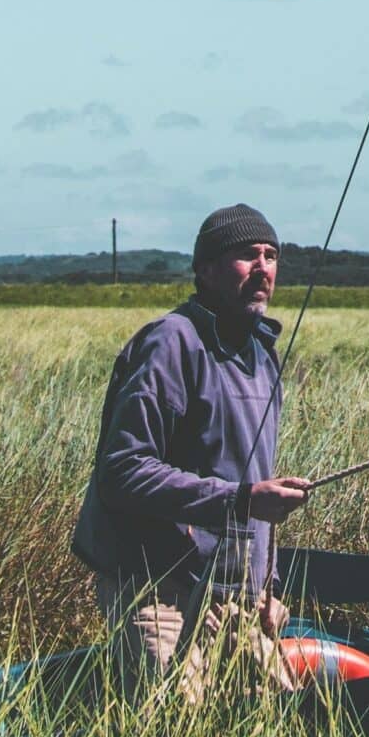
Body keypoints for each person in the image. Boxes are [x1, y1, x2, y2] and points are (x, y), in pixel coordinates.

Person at [70, 203, 313, 699]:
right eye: (247, 255)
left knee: (277, 735)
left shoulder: (262, 354)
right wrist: (241, 500)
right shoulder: (171, 343)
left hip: (237, 596)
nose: (263, 267)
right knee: (174, 736)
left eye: (271, 256)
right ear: (205, 269)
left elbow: (251, 479)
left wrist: (269, 587)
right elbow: (124, 470)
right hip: (159, 589)